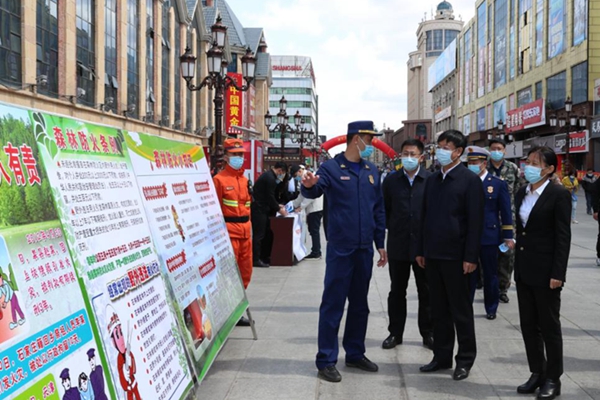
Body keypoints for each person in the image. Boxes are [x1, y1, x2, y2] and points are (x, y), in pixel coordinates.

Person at [302, 120, 387, 383]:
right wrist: (309, 185)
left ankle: (355, 353)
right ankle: (326, 360)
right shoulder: (331, 168)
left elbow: (378, 209)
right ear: (356, 139)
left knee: (360, 304)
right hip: (341, 247)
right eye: (369, 140)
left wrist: (380, 243)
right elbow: (315, 188)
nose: (371, 145)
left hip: (364, 248)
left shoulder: (371, 170)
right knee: (333, 304)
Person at [416, 130, 484, 381]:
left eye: (446, 147)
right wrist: (421, 250)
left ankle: (464, 359)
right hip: (433, 255)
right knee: (438, 310)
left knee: (460, 311)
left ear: (458, 152)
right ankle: (441, 356)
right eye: (440, 146)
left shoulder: (470, 181)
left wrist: (471, 257)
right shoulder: (433, 179)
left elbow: (475, 222)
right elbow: (424, 217)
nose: (441, 151)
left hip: (458, 257)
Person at [514, 146, 571, 399]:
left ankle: (553, 378)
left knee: (549, 326)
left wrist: (558, 273)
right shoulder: (521, 192)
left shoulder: (558, 194)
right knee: (528, 325)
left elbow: (563, 237)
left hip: (547, 272)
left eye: (535, 163)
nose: (529, 167)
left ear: (549, 169)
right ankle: (537, 372)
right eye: (528, 161)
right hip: (524, 269)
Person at [381, 138, 433, 351]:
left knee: (426, 291)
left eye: (413, 154)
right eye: (405, 154)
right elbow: (384, 210)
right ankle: (395, 332)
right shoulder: (391, 181)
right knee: (397, 291)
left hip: (424, 246)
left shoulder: (431, 180)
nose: (408, 158)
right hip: (398, 244)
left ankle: (428, 333)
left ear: (421, 157)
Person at [466, 146, 514, 320]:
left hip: (489, 235)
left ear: (484, 163)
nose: (472, 165)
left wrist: (508, 235)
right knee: (468, 273)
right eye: (470, 162)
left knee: (490, 273)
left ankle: (491, 307)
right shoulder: (465, 182)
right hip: (468, 236)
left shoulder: (497, 183)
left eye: (476, 162)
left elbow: (506, 211)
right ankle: (466, 307)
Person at [213, 139, 254, 326]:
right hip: (229, 235)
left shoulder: (245, 180)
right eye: (235, 154)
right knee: (228, 275)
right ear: (226, 156)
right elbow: (215, 211)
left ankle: (236, 309)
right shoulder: (219, 180)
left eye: (241, 154)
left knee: (245, 273)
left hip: (245, 234)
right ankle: (228, 312)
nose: (239, 157)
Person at [487, 138, 520, 304]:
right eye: (493, 148)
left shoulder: (512, 168)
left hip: (509, 219)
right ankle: (487, 284)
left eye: (499, 148)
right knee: (487, 253)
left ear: (504, 151)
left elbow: (519, 191)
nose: (496, 151)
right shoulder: (483, 168)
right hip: (488, 218)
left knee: (507, 255)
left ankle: (503, 288)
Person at [251, 162, 288, 267]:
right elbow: (269, 196)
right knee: (259, 235)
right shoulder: (270, 178)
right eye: (283, 173)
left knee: (265, 233)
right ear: (280, 170)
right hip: (259, 209)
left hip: (263, 208)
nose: (282, 175)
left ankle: (263, 256)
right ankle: (256, 259)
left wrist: (277, 205)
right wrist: (278, 209)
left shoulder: (269, 176)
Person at [293, 166, 324, 260]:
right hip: (313, 209)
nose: (296, 177)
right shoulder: (304, 178)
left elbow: (310, 196)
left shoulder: (309, 177)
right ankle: (315, 250)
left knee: (314, 230)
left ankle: (316, 252)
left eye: (296, 175)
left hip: (315, 209)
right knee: (312, 230)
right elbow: (302, 194)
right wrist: (293, 204)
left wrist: (300, 207)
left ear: (299, 171)